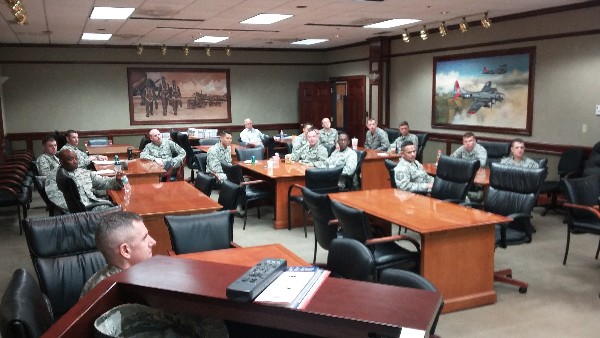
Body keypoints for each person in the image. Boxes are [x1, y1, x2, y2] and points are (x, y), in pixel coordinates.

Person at [80, 211, 228, 337]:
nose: (154, 242)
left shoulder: (93, 284)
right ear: (125, 250)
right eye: (145, 238)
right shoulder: (129, 292)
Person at [46, 149, 124, 212]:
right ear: (61, 162)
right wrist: (80, 209)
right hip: (80, 212)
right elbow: (56, 198)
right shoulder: (55, 176)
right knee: (119, 214)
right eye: (70, 159)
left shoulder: (83, 172)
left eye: (76, 158)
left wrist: (117, 180)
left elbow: (103, 182)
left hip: (94, 204)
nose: (75, 161)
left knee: (121, 209)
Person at [451, 132, 487, 201]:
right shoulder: (462, 148)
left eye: (470, 141)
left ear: (474, 141)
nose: (468, 143)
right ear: (463, 142)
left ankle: (465, 194)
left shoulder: (480, 150)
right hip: (464, 176)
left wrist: (464, 165)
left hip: (477, 178)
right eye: (465, 141)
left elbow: (482, 164)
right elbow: (452, 158)